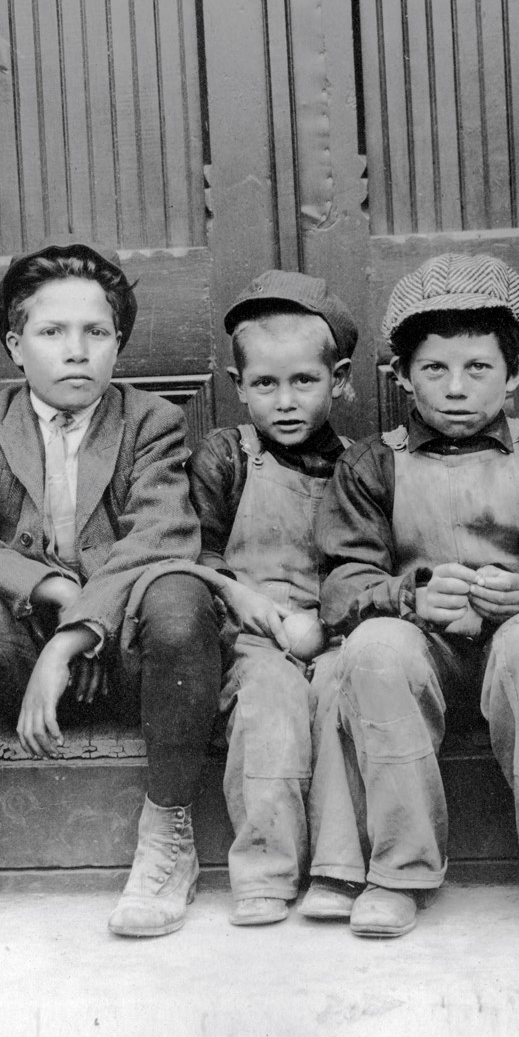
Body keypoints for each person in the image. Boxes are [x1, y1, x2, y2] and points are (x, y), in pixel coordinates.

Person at [0, 244, 222, 942]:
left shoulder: (151, 423)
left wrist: (76, 634)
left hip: (123, 659)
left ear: (118, 343)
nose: (76, 351)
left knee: (178, 595)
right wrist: (50, 589)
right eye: (51, 332)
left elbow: (160, 537)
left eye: (96, 332)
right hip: (14, 664)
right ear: (15, 346)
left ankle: (168, 838)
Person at [315, 253, 519, 943]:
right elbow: (342, 587)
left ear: (515, 374)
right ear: (401, 375)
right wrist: (410, 596)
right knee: (373, 647)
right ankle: (398, 871)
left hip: (515, 651)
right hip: (420, 654)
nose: (455, 388)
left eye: (478, 368)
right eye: (434, 368)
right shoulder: (373, 462)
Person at [186, 271, 357, 927]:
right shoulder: (227, 456)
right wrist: (240, 597)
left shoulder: (361, 465)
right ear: (238, 386)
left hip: (333, 628)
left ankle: (340, 868)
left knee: (343, 695)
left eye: (304, 381)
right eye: (264, 384)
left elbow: (368, 563)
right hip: (252, 633)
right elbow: (194, 557)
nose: (284, 402)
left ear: (339, 379)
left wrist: (325, 621)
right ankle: (264, 871)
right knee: (269, 703)